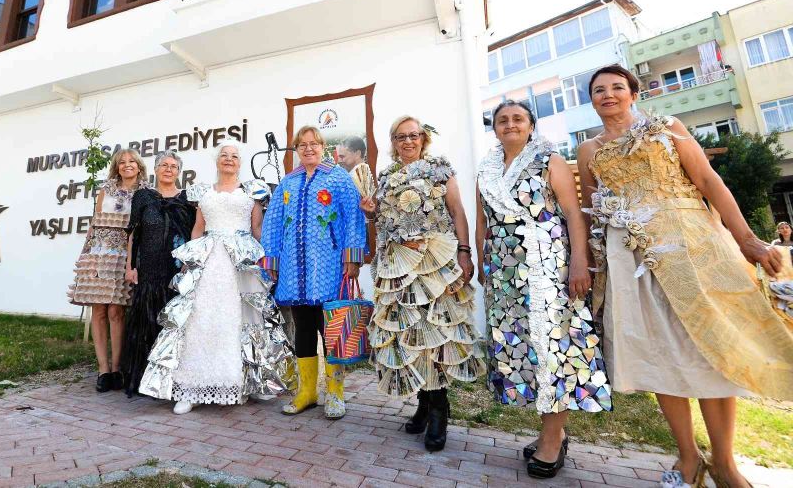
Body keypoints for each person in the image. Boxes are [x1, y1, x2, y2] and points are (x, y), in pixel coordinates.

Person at [576, 64, 793, 488]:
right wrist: (586, 261)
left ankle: (726, 464)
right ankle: (688, 459)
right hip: (630, 260)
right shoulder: (589, 150)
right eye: (599, 90)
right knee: (659, 354)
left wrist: (746, 239)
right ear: (592, 100)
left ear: (633, 94)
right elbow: (590, 214)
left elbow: (709, 181)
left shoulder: (666, 127)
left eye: (617, 87)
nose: (608, 95)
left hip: (690, 246)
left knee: (709, 346)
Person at [476, 101, 612, 479]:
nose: (510, 124)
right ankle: (552, 430)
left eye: (518, 118)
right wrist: (483, 264)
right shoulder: (485, 169)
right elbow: (481, 222)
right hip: (505, 271)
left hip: (549, 266)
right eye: (503, 120)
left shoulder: (549, 160)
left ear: (531, 125)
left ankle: (552, 440)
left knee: (555, 347)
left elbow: (573, 213)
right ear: (495, 129)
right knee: (528, 349)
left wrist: (579, 262)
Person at [139, 141, 294, 414]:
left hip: (242, 262)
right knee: (202, 318)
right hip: (210, 262)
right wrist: (189, 262)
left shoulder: (251, 191)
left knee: (246, 319)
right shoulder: (203, 193)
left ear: (240, 162)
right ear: (217, 161)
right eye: (224, 155)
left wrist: (267, 262)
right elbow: (198, 229)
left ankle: (247, 382)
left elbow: (257, 228)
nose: (229, 159)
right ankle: (193, 387)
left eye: (234, 156)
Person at [360, 116, 484, 452]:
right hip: (398, 266)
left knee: (435, 335)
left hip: (434, 264)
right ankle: (423, 404)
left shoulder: (439, 168)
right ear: (393, 141)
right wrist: (370, 211)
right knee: (407, 335)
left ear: (423, 138)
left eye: (413, 135)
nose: (408, 142)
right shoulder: (385, 177)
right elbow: (385, 219)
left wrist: (464, 252)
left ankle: (440, 409)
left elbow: (457, 210)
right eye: (401, 137)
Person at [261, 126, 366, 420]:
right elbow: (273, 223)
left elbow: (354, 219)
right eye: (302, 145)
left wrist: (353, 258)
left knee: (330, 329)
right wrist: (272, 261)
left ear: (323, 146)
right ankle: (307, 392)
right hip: (295, 270)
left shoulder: (338, 178)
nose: (308, 149)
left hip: (330, 267)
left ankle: (335, 394)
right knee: (304, 330)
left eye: (313, 143)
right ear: (296, 150)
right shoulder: (288, 183)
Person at [69, 149, 150, 393]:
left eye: (131, 161)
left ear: (139, 166)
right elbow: (93, 225)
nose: (127, 165)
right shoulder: (105, 190)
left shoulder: (145, 193)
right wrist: (86, 257)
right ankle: (103, 370)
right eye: (122, 162)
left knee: (116, 310)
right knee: (98, 309)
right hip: (98, 254)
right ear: (116, 167)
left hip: (125, 256)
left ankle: (118, 369)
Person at [122, 151, 196, 397]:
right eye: (163, 165)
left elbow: (195, 234)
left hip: (176, 270)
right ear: (155, 169)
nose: (168, 169)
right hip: (148, 269)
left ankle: (173, 379)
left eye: (173, 166)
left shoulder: (187, 199)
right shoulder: (142, 197)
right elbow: (133, 233)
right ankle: (145, 379)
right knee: (146, 323)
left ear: (178, 171)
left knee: (173, 324)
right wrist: (130, 266)